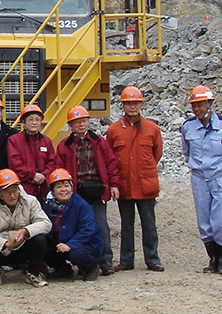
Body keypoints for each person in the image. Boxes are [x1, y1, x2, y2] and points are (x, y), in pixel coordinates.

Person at [181, 85, 222, 275]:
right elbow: (186, 152)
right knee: (204, 221)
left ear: (209, 104)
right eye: (194, 106)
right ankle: (213, 259)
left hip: (221, 177)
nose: (197, 109)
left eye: (200, 105)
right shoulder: (187, 127)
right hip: (199, 178)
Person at [54, 105, 120, 276]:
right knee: (78, 228)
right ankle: (85, 262)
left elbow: (111, 164)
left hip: (97, 191)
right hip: (75, 194)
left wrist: (113, 185)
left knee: (101, 226)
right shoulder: (64, 146)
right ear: (70, 124)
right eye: (77, 122)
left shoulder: (99, 142)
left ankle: (106, 262)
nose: (81, 124)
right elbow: (59, 170)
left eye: (83, 120)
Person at [107, 87, 165, 273]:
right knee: (126, 224)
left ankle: (152, 259)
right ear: (123, 105)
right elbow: (110, 156)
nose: (132, 107)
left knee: (149, 224)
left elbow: (157, 154)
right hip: (125, 185)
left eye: (135, 103)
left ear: (141, 104)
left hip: (145, 184)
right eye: (128, 103)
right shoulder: (114, 130)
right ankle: (126, 260)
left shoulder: (152, 129)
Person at [0, 169, 52, 287]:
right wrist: (4, 244)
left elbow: (45, 223)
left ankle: (33, 273)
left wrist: (26, 231)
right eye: (7, 192)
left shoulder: (30, 201)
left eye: (15, 190)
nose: (12, 195)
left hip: (22, 245)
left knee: (40, 240)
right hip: (0, 249)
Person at [42, 168, 104, 282]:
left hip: (83, 244)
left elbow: (87, 229)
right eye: (59, 187)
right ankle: (62, 268)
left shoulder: (80, 204)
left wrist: (70, 245)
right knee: (41, 244)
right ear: (53, 191)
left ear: (72, 188)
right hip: (59, 243)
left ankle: (91, 268)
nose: (63, 190)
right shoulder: (48, 207)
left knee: (78, 254)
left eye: (66, 185)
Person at [7, 104, 56, 203]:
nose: (34, 122)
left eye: (37, 119)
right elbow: (15, 164)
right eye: (31, 119)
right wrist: (33, 175)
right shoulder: (14, 140)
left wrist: (43, 176)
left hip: (44, 189)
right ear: (24, 122)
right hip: (23, 189)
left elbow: (52, 162)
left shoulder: (46, 141)